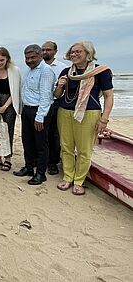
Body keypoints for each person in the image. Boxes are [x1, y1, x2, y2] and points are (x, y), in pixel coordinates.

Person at [54, 41, 113, 195]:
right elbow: (57, 96)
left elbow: (108, 95)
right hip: (64, 112)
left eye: (78, 52)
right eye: (72, 52)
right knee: (66, 147)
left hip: (89, 113)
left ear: (88, 53)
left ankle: (79, 181)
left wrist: (104, 119)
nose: (74, 54)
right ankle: (68, 177)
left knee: (84, 149)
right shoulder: (66, 72)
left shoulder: (101, 71)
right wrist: (59, 86)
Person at [13, 44, 56, 185]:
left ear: (40, 56)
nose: (30, 60)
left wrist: (40, 116)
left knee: (41, 144)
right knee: (27, 141)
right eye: (27, 58)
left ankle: (41, 173)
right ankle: (29, 167)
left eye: (33, 57)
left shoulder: (46, 70)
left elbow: (45, 96)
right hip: (27, 110)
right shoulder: (30, 71)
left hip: (39, 111)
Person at [0, 47, 22, 171]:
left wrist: (5, 107)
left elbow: (15, 91)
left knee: (8, 131)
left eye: (2, 60)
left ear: (7, 59)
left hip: (9, 104)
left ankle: (8, 159)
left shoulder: (15, 70)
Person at [42, 41, 69, 175]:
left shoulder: (62, 68)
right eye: (43, 49)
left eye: (48, 49)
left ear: (55, 51)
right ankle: (40, 159)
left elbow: (65, 90)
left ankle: (52, 162)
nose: (45, 52)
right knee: (41, 133)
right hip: (40, 104)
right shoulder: (36, 66)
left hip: (56, 103)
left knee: (54, 134)